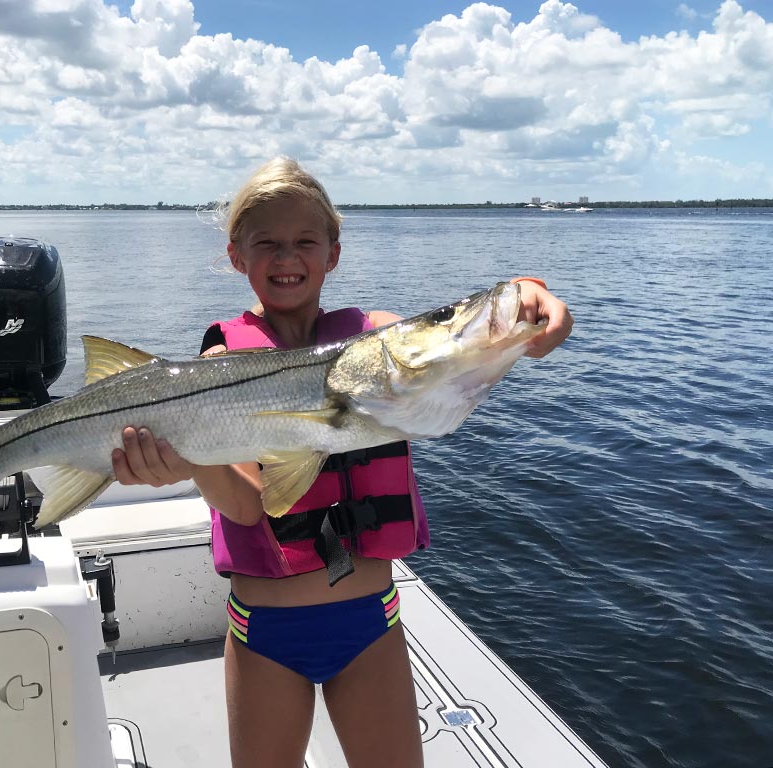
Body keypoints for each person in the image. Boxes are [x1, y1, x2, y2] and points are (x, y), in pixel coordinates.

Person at [110, 157, 573, 767]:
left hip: (370, 627)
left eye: (305, 241)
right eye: (267, 243)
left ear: (332, 253)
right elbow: (247, 506)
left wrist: (528, 295)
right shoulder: (221, 362)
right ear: (236, 257)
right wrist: (191, 461)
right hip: (264, 635)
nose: (287, 258)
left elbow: (449, 334)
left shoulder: (376, 336)